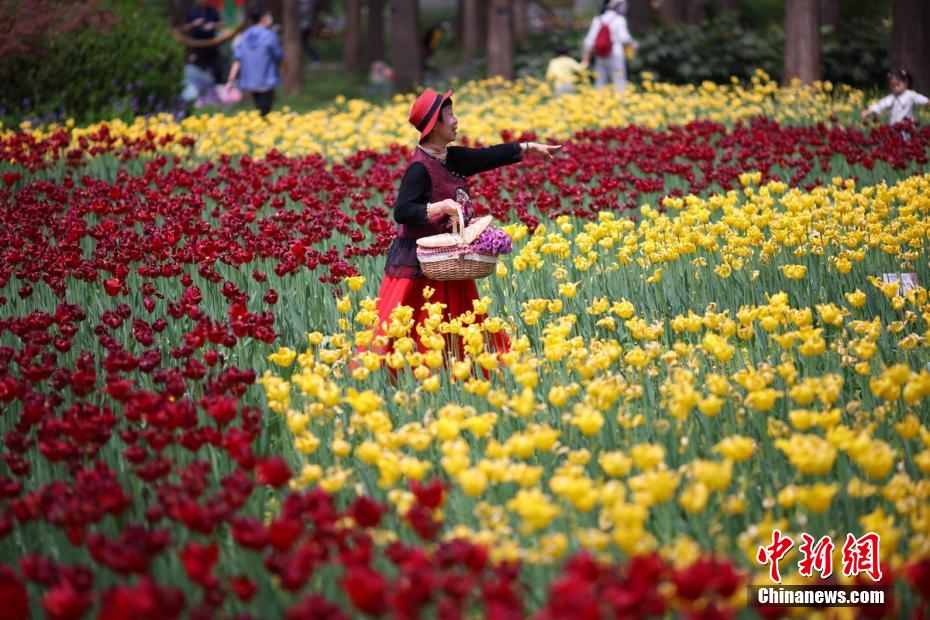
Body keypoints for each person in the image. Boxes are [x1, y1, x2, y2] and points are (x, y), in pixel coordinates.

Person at [372, 88, 561, 358]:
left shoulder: (453, 158)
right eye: (450, 115)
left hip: (449, 262)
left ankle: (461, 373)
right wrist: (439, 206)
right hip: (418, 268)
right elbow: (402, 211)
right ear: (434, 124)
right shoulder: (419, 169)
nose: (456, 120)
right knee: (416, 335)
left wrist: (529, 147)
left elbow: (488, 155)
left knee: (461, 331)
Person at [227, 6, 283, 117]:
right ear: (263, 18)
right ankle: (262, 129)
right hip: (267, 79)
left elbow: (237, 59)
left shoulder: (244, 36)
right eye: (268, 15)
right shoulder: (270, 36)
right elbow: (279, 56)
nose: (270, 18)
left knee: (259, 108)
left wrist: (231, 79)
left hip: (250, 80)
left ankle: (259, 127)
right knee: (265, 111)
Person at [582, 0, 637, 92]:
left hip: (600, 54)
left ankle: (598, 102)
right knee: (619, 80)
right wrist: (634, 46)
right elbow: (625, 38)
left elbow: (589, 40)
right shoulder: (619, 19)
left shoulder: (598, 19)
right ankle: (620, 102)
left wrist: (585, 59)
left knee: (600, 80)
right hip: (616, 52)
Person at [861, 69, 929, 125]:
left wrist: (927, 102)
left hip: (908, 128)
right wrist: (869, 110)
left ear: (905, 83)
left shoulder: (910, 95)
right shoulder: (892, 97)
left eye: (898, 84)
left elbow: (922, 99)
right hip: (894, 128)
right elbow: (881, 104)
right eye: (893, 86)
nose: (896, 88)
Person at [182, 0, 225, 83]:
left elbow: (222, 24)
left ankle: (217, 85)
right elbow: (184, 28)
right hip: (197, 46)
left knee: (216, 66)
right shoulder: (192, 12)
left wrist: (213, 25)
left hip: (211, 44)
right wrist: (193, 24)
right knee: (198, 67)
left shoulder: (213, 10)